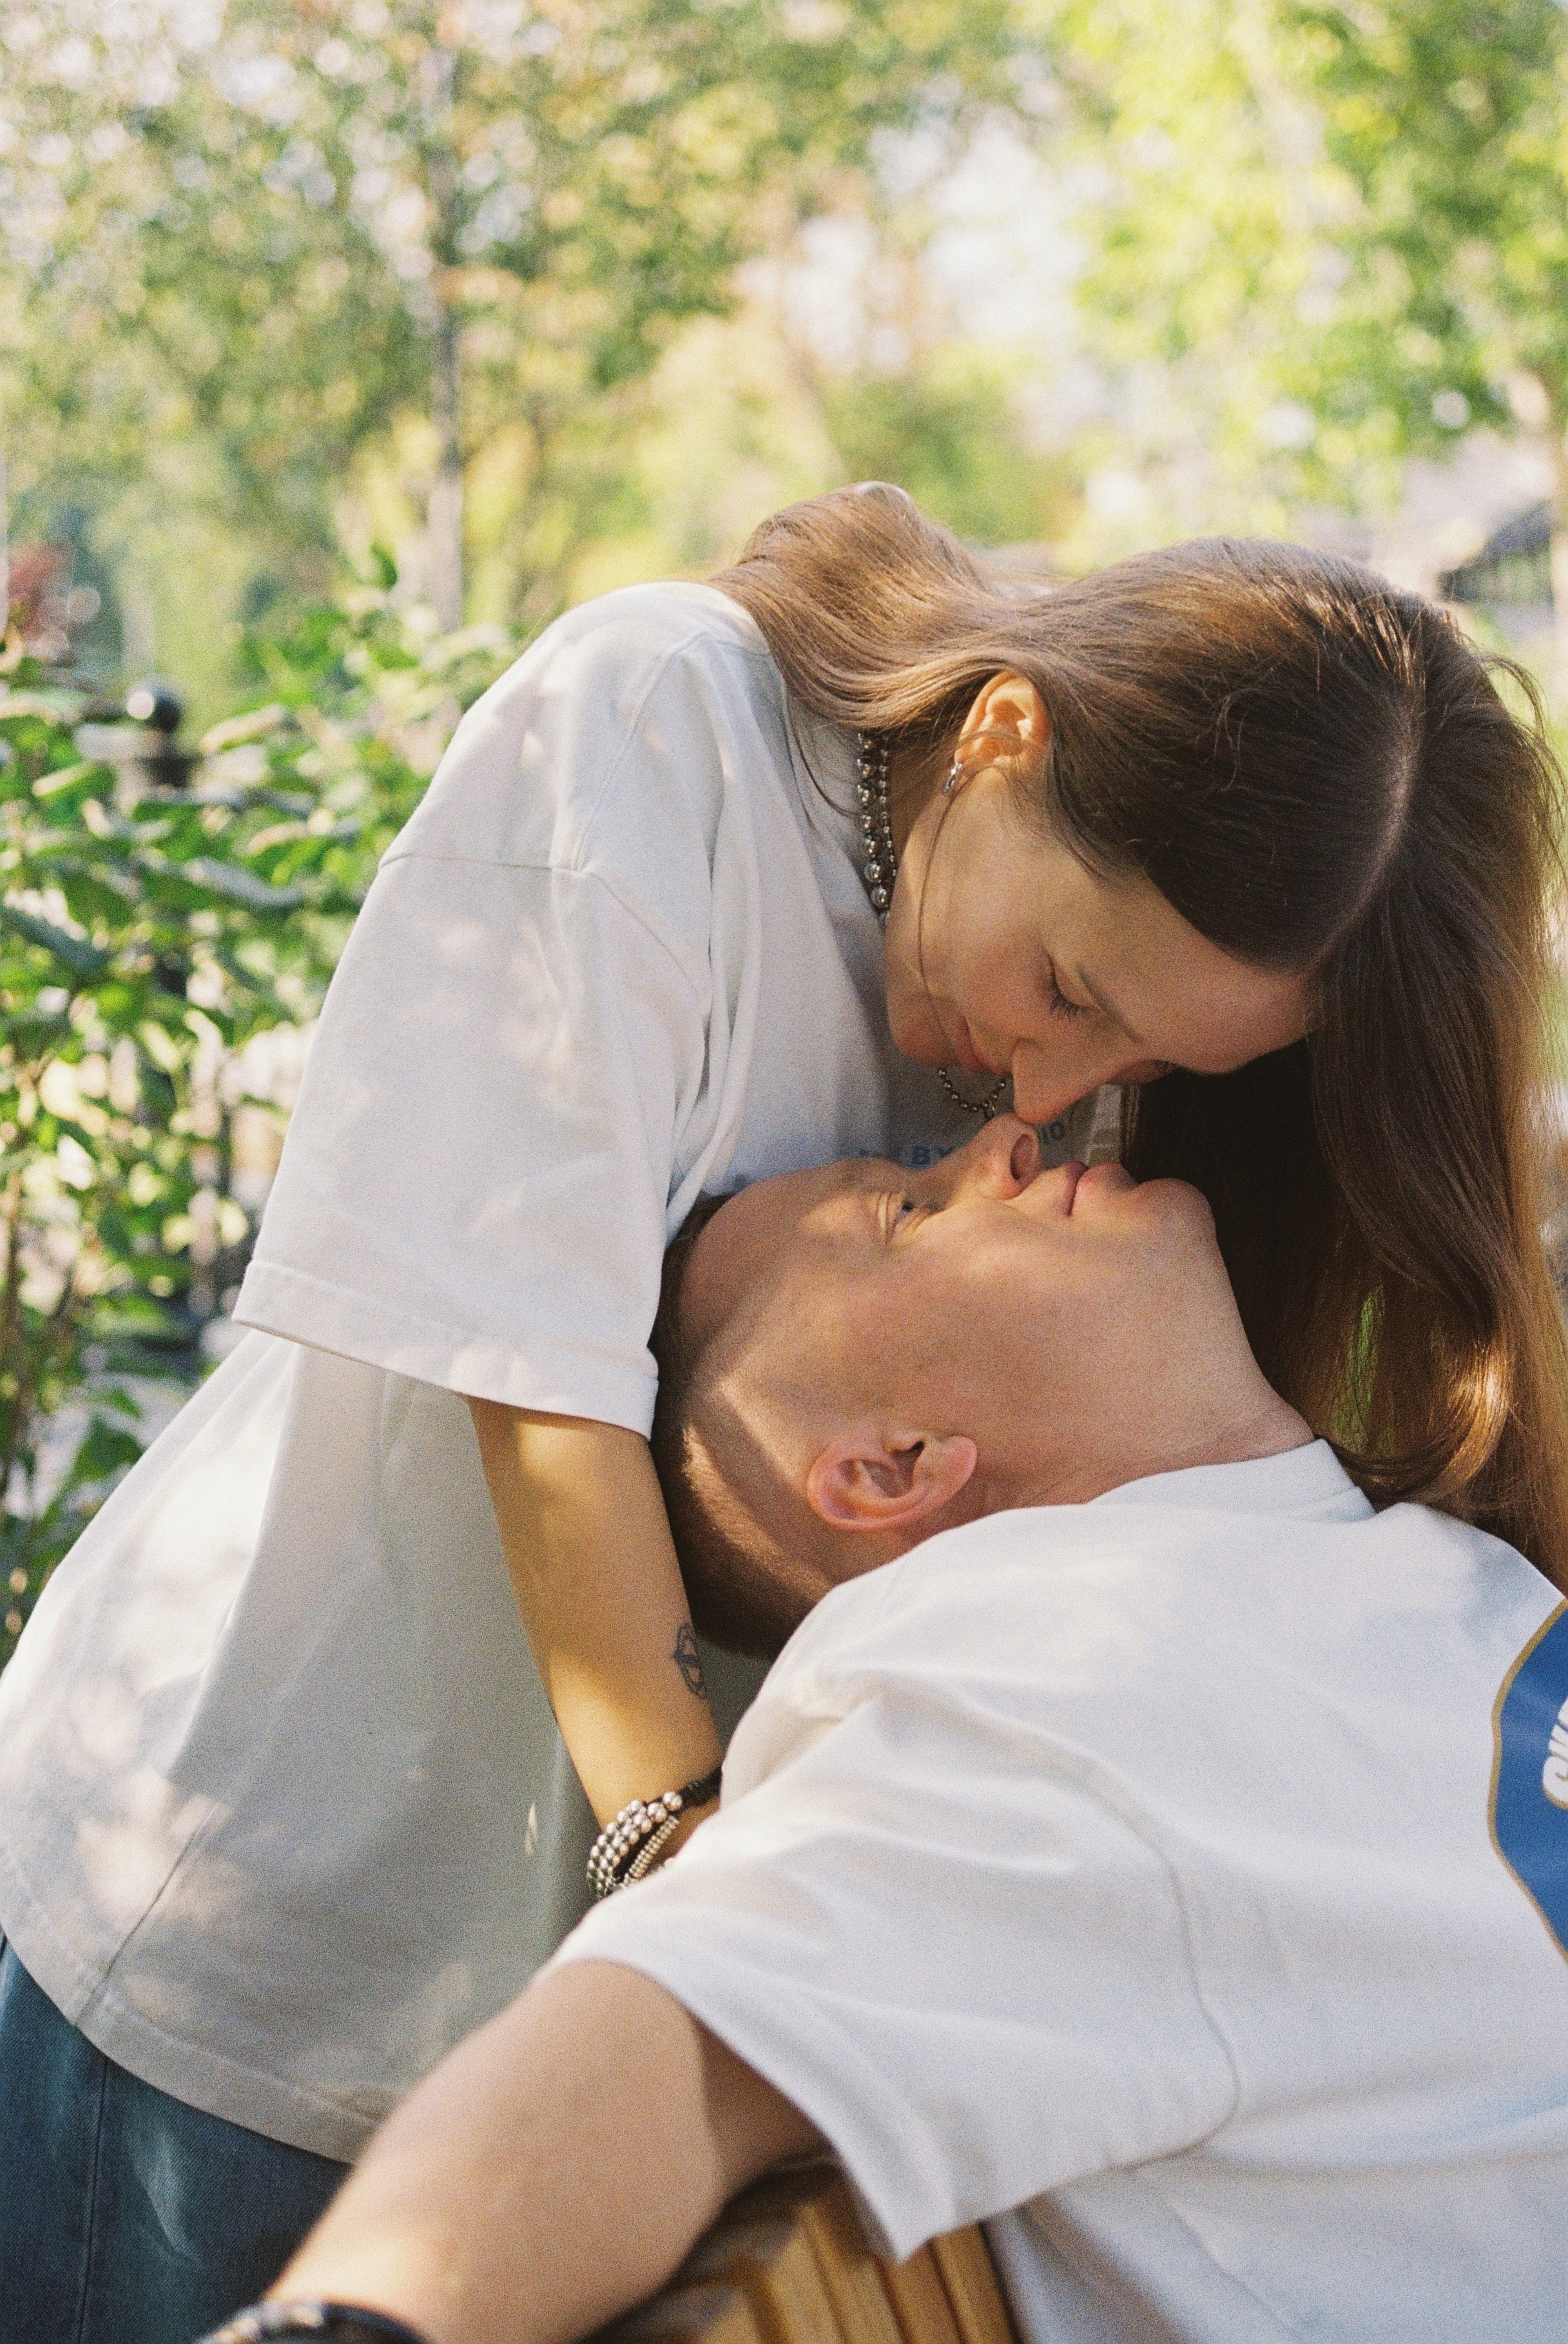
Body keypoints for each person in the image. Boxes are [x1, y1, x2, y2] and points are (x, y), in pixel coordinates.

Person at [3, 486, 1567, 2335]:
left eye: (1149, 1059)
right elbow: (544, 1396)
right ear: (1003, 734)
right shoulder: (662, 729)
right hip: (272, 1933)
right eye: (1067, 989)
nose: (1056, 1091)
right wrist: (689, 1879)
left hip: (625, 2007)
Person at [222, 1117, 1568, 2344]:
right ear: (891, 1466)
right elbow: (663, 2030)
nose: (1000, 1140)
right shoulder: (1033, 1669)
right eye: (910, 1213)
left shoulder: (1365, 1563)